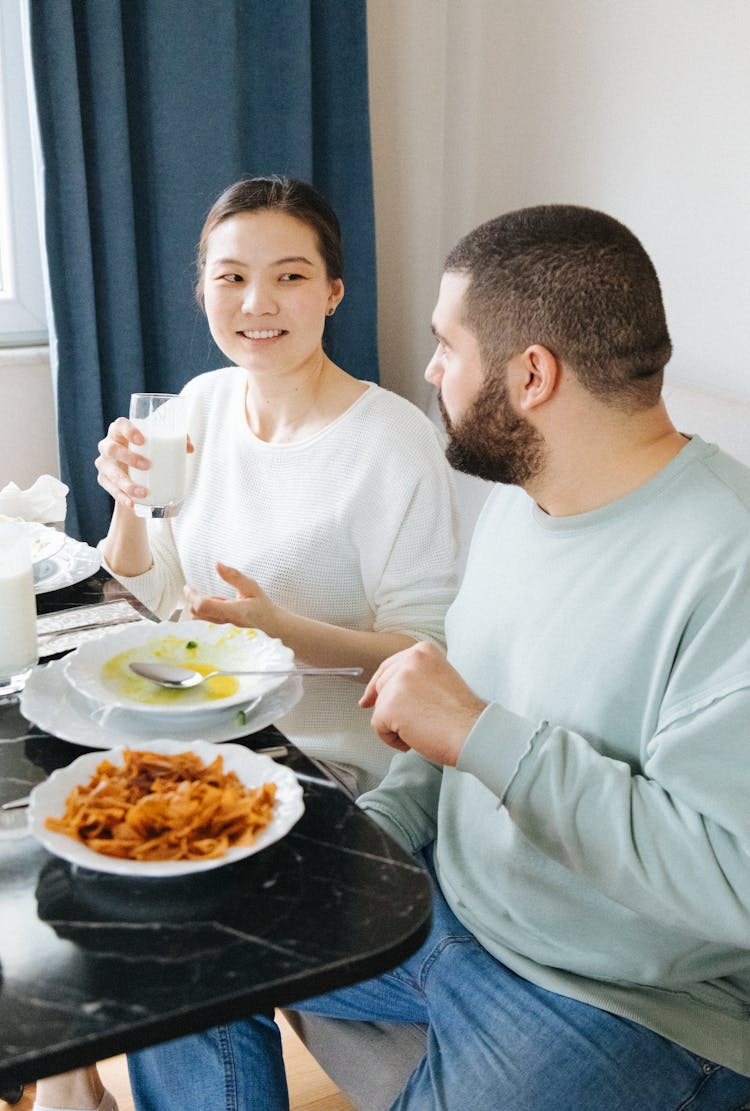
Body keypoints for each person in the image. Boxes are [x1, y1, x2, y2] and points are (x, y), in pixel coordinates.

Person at [128, 204, 750, 1111]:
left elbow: (730, 880)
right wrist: (358, 841)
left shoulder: (724, 560)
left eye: (447, 347)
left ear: (532, 374)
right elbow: (454, 734)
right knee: (178, 930)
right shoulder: (520, 502)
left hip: (625, 999)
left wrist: (477, 731)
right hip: (447, 907)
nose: (429, 371)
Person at [34, 178, 458, 1111]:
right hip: (217, 742)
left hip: (335, 771)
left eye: (290, 275)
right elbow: (149, 587)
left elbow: (425, 654)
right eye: (231, 276)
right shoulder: (199, 405)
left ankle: (75, 1086)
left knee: (176, 919)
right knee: (62, 819)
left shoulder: (390, 442)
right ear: (202, 290)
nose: (258, 303)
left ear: (333, 291)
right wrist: (129, 501)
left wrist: (282, 630)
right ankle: (73, 1075)